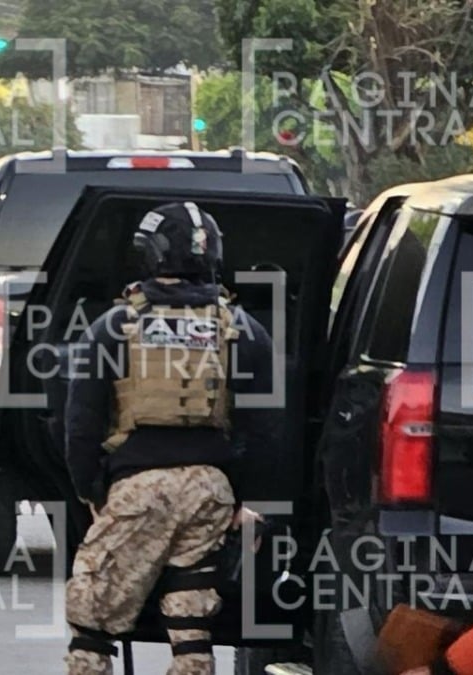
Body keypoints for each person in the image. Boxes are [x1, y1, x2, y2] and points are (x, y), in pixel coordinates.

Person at [63, 202, 280, 675]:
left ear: (149, 253)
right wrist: (245, 501)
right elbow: (264, 428)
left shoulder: (113, 327)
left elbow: (81, 423)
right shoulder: (242, 328)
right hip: (211, 492)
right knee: (191, 619)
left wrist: (91, 490)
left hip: (139, 489)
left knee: (92, 619)